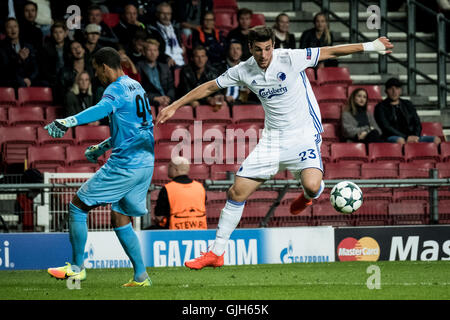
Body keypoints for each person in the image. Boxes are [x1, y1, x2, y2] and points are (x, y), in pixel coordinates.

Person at [156, 26, 393, 269]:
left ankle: (311, 193)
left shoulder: (290, 58)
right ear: (250, 48)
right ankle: (216, 253)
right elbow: (210, 86)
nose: (264, 54)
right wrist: (176, 105)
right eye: (258, 49)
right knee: (236, 193)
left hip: (303, 135)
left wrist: (371, 46)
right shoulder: (244, 70)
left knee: (311, 186)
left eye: (268, 48)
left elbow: (331, 52)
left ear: (273, 46)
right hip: (272, 141)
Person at [46, 47, 154, 287]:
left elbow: (101, 109)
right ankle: (141, 276)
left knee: (77, 205)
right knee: (120, 216)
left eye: (96, 70)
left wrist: (68, 120)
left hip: (125, 165)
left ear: (105, 67)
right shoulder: (137, 86)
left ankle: (76, 268)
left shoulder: (114, 88)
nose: (97, 76)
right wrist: (102, 146)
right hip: (146, 163)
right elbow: (137, 129)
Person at [374, 77, 441, 145]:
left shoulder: (407, 104)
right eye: (391, 89)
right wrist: (406, 137)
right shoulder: (380, 107)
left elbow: (417, 122)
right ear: (386, 91)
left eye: (397, 88)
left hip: (412, 136)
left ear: (400, 90)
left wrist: (416, 136)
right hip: (392, 137)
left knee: (436, 140)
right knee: (400, 141)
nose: (394, 91)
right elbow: (386, 127)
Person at [152, 156, 207, 230]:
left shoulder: (167, 189)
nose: (167, 170)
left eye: (169, 167)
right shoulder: (200, 187)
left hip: (174, 234)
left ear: (175, 169)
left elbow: (159, 216)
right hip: (200, 232)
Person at [177, 45, 224, 109]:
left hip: (207, 101)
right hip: (188, 100)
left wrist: (217, 98)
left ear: (206, 58)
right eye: (197, 57)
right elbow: (187, 93)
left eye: (202, 56)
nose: (200, 60)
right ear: (192, 58)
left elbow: (217, 92)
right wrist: (207, 99)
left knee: (221, 104)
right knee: (195, 103)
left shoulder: (213, 72)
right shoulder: (185, 71)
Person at [0, 17, 39, 88]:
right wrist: (18, 59)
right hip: (11, 80)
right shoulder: (2, 48)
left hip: (28, 79)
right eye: (9, 27)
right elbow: (5, 70)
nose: (13, 30)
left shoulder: (28, 46)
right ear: (5, 30)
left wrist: (30, 79)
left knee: (45, 83)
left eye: (15, 26)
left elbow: (35, 67)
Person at [137, 39, 175, 109]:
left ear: (158, 53)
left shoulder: (165, 67)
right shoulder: (138, 68)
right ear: (144, 52)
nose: (153, 53)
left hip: (167, 102)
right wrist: (155, 98)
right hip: (149, 103)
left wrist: (168, 98)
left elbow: (171, 87)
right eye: (149, 50)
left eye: (155, 50)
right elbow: (138, 90)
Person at [39, 21, 71, 97]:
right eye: (55, 32)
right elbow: (44, 69)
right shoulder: (46, 48)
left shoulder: (70, 47)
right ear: (52, 34)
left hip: (68, 77)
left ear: (65, 34)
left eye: (60, 32)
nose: (58, 35)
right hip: (53, 79)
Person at [150, 2, 186, 68]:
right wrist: (167, 58)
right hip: (165, 63)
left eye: (168, 14)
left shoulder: (175, 30)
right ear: (157, 14)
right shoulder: (152, 31)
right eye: (163, 14)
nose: (166, 17)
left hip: (180, 62)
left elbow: (180, 47)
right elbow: (154, 51)